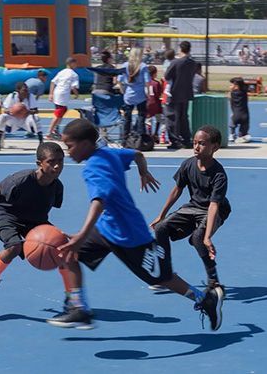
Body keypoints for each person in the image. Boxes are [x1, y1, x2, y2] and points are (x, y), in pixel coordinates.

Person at [55, 119, 224, 330]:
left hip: (131, 236)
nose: (68, 152)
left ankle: (205, 299)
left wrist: (81, 236)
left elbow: (99, 201)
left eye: (70, 146)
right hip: (108, 229)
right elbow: (137, 154)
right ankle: (78, 307)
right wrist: (143, 172)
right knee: (69, 255)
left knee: (164, 279)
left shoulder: (93, 168)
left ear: (86, 144)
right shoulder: (109, 153)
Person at [0, 143, 92, 327]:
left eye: (60, 161)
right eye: (51, 162)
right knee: (14, 246)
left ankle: (72, 300)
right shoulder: (22, 179)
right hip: (5, 213)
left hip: (33, 219)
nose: (57, 166)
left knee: (63, 250)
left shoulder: (57, 187)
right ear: (39, 163)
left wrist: (50, 235)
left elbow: (41, 210)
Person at [150, 126, 230, 290]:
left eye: (201, 143)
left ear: (214, 147)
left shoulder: (219, 174)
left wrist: (207, 237)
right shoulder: (188, 164)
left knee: (198, 239)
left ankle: (213, 280)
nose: (196, 147)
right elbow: (176, 190)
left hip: (216, 210)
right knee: (161, 228)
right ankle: (166, 274)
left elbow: (214, 205)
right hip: (194, 207)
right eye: (194, 143)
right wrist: (161, 215)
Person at [164, 41, 197, 150]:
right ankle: (186, 139)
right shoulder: (193, 63)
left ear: (180, 49)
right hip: (186, 93)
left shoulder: (176, 62)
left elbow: (167, 76)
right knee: (184, 117)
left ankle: (175, 140)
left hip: (175, 93)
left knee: (172, 117)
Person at [0, 82, 41, 151]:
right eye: (24, 90)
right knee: (2, 116)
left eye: (27, 90)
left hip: (25, 120)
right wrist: (13, 111)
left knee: (35, 117)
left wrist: (26, 111)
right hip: (14, 120)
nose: (26, 92)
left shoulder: (30, 96)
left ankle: (41, 141)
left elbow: (36, 111)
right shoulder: (12, 96)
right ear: (18, 91)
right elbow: (5, 110)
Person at [118, 47, 150, 141]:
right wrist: (148, 93)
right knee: (141, 117)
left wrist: (122, 90)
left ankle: (125, 138)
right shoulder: (143, 66)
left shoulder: (125, 65)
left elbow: (119, 80)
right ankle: (140, 138)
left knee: (127, 118)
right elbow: (147, 82)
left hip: (129, 94)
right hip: (140, 94)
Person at [47, 57, 80, 140]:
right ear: (71, 63)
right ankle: (49, 132)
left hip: (57, 92)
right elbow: (73, 87)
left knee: (62, 110)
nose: (76, 65)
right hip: (63, 94)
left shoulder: (61, 72)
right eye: (75, 63)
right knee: (59, 112)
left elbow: (53, 82)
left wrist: (51, 93)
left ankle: (55, 129)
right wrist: (76, 94)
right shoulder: (74, 74)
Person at [146, 65, 164, 143]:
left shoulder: (145, 82)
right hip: (155, 103)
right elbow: (158, 94)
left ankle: (149, 134)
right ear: (154, 73)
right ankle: (156, 134)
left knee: (148, 120)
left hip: (147, 102)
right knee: (158, 118)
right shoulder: (156, 83)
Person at [229, 77, 250, 143]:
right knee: (244, 128)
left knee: (232, 121)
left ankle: (232, 134)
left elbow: (229, 97)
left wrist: (231, 90)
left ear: (236, 86)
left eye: (232, 85)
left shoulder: (232, 93)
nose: (230, 86)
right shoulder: (244, 93)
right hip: (245, 115)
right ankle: (242, 136)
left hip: (235, 115)